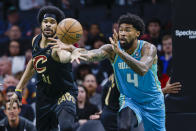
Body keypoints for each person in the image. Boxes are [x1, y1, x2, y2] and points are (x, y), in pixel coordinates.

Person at [68, 13, 166, 131]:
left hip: (147, 100)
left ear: (137, 33)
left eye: (127, 30)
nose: (123, 33)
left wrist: (121, 54)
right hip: (124, 101)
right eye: (121, 30)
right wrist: (71, 49)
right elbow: (91, 55)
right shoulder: (112, 49)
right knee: (120, 122)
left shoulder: (148, 48)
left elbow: (143, 68)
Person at [9, 5, 85, 131]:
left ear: (58, 27)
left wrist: (71, 53)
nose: (48, 25)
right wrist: (18, 89)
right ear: (41, 25)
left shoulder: (59, 44)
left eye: (52, 22)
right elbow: (33, 63)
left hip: (63, 92)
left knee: (67, 127)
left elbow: (63, 57)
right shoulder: (35, 41)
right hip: (44, 94)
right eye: (45, 22)